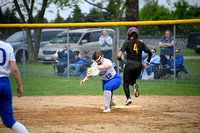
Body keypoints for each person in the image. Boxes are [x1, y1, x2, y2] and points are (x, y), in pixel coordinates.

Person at [117, 27, 152, 106]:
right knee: (132, 81)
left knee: (125, 83)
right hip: (139, 66)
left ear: (129, 34)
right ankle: (134, 85)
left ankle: (128, 98)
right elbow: (150, 53)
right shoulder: (141, 43)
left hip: (130, 65)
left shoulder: (127, 42)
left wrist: (122, 62)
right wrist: (147, 63)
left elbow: (119, 56)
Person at [0, 40, 29, 133]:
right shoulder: (7, 46)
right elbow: (15, 69)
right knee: (10, 121)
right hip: (5, 84)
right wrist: (20, 86)